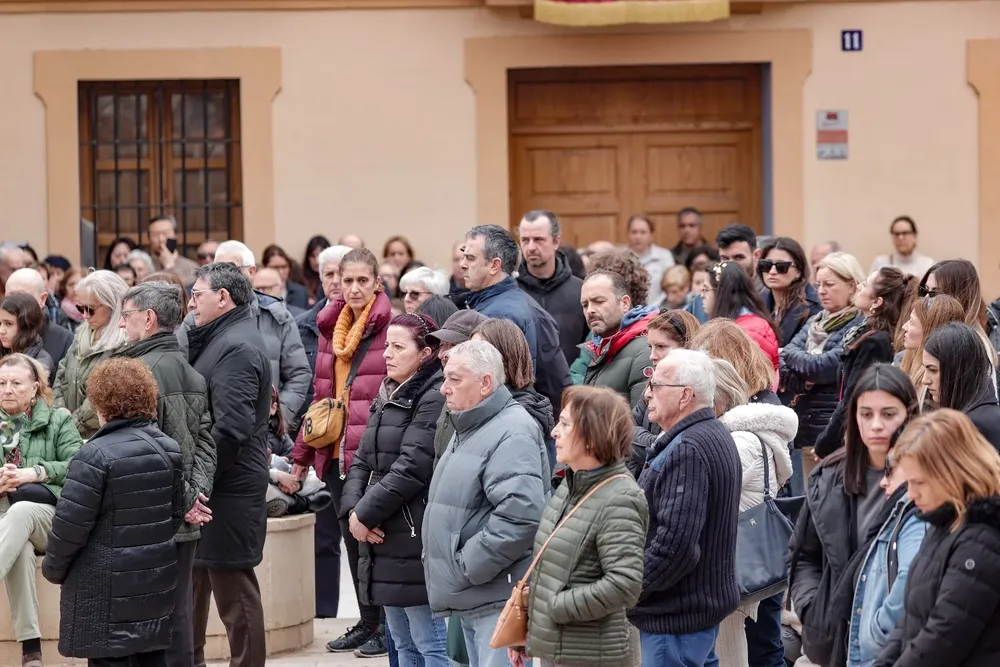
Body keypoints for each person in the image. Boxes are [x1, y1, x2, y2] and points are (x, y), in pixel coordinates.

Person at [42, 358, 184, 667]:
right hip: (153, 586)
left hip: (103, 593)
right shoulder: (169, 449)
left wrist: (52, 569)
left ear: (100, 404)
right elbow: (175, 516)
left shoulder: (93, 455)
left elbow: (69, 528)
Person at [291, 247, 392, 657]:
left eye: (361, 281)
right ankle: (369, 622)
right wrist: (300, 457)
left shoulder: (391, 328)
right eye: (345, 279)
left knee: (378, 542)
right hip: (335, 453)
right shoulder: (329, 327)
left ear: (377, 283)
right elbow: (320, 397)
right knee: (352, 544)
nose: (352, 287)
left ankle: (387, 624)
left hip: (373, 455)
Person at [423, 340, 549, 667]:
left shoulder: (512, 430)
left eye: (455, 379)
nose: (444, 389)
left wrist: (468, 565)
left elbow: (520, 516)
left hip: (493, 597)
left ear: (486, 383)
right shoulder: (469, 423)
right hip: (473, 593)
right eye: (444, 378)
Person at [117, 280, 218, 667]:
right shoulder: (191, 373)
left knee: (149, 619)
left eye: (126, 316)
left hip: (150, 517)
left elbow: (149, 453)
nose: (122, 326)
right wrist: (196, 498)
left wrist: (188, 500)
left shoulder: (137, 374)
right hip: (183, 515)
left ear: (148, 317)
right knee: (179, 613)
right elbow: (207, 442)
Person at [788, 364, 917, 667]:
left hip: (900, 642)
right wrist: (812, 608)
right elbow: (804, 553)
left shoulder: (926, 479)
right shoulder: (829, 476)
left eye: (888, 414)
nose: (875, 425)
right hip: (833, 638)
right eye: (866, 414)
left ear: (909, 414)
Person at [513, 386, 648, 667]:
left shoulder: (620, 498)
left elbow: (624, 584)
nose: (554, 432)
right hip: (558, 647)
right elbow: (552, 567)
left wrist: (554, 607)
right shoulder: (571, 483)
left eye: (564, 424)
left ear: (591, 436)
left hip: (592, 655)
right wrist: (529, 628)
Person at [341, 313, 448, 667]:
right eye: (387, 345)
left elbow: (413, 466)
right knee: (400, 643)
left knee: (428, 643)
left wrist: (364, 514)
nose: (387, 353)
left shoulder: (432, 396)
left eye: (398, 347)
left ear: (425, 353)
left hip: (409, 531)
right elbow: (360, 459)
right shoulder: (388, 391)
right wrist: (353, 511)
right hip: (381, 532)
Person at [631, 349, 741, 667]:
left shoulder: (689, 448)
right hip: (690, 614)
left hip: (675, 618)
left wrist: (628, 587)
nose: (647, 393)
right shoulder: (708, 434)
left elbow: (675, 546)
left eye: (656, 385)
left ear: (685, 396)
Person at [186, 263, 271, 667]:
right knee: (199, 581)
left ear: (223, 297)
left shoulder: (236, 345)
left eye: (197, 293)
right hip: (218, 484)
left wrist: (198, 480)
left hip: (228, 488)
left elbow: (232, 429)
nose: (190, 301)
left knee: (234, 591)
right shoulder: (224, 336)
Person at [873, 409, 1000, 666]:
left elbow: (942, 638)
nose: (912, 494)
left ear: (951, 473)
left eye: (920, 483)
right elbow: (911, 621)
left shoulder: (981, 541)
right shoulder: (945, 523)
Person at [712, 359, 796, 667]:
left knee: (760, 648)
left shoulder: (740, 442)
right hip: (755, 555)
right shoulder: (744, 435)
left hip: (744, 560)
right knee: (764, 644)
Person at [0, 353, 83, 667]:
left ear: (35, 388)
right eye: (2, 383)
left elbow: (81, 465)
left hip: (47, 518)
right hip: (4, 521)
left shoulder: (57, 420)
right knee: (17, 548)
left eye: (16, 383)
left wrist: (36, 472)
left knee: (20, 515)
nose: (7, 389)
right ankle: (31, 651)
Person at [177, 240, 311, 427]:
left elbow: (298, 374)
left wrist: (277, 419)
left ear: (252, 272)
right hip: (212, 429)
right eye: (219, 269)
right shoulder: (195, 320)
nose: (227, 276)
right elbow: (180, 373)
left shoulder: (276, 316)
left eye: (233, 269)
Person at [462, 224, 570, 412]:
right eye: (464, 255)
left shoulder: (497, 316)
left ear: (495, 265)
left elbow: (489, 388)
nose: (462, 263)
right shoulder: (523, 304)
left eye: (470, 258)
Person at [814, 267, 917, 459]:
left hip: (859, 440)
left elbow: (854, 396)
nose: (859, 286)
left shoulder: (874, 342)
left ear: (877, 302)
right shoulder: (864, 332)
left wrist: (825, 443)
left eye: (866, 284)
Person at [842, 431, 926, 667]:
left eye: (889, 468)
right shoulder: (903, 510)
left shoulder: (916, 517)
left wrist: (878, 631)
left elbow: (909, 581)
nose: (883, 480)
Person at [470, 319, 557, 473]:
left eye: (480, 353)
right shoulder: (485, 403)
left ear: (507, 359)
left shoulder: (523, 418)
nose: (469, 361)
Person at [53, 270, 130, 439]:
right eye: (80, 307)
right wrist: (59, 410)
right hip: (71, 433)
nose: (85, 315)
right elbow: (61, 374)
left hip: (100, 438)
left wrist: (68, 425)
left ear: (113, 304)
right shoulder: (81, 334)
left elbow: (103, 398)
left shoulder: (125, 344)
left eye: (91, 309)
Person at [629, 310, 700, 476]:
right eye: (650, 347)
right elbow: (625, 430)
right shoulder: (650, 385)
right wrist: (655, 442)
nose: (652, 356)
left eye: (661, 347)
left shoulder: (696, 393)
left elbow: (674, 448)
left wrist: (648, 443)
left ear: (686, 346)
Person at [579, 259, 658, 408]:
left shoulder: (647, 350)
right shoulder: (602, 347)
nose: (590, 310)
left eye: (599, 301)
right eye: (585, 304)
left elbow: (642, 422)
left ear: (625, 303)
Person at [516, 210, 589, 367]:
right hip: (523, 389)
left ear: (556, 242)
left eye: (538, 239)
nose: (531, 247)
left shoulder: (581, 291)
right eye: (525, 240)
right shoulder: (511, 292)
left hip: (570, 386)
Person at [923, 322, 1000, 449]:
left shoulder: (975, 425)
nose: (925, 380)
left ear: (959, 370)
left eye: (933, 370)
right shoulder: (975, 415)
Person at [702, 261, 780, 373]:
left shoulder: (750, 331)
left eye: (705, 289)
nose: (702, 296)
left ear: (721, 293)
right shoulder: (733, 325)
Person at [4, 269, 74, 368]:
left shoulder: (65, 339)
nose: (15, 303)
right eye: (10, 297)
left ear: (42, 299)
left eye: (22, 296)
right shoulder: (2, 336)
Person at [759, 237, 822, 347]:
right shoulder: (758, 301)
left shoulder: (813, 306)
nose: (772, 272)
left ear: (798, 271)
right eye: (766, 265)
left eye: (781, 267)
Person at [897, 294, 964, 396]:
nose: (904, 326)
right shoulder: (905, 360)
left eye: (912, 322)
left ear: (930, 330)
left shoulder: (933, 386)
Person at [0, 294, 55, 378]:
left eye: (8, 324)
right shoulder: (4, 351)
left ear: (26, 326)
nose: (1, 331)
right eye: (0, 323)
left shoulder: (41, 364)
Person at [626, 214, 675, 307]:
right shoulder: (621, 258)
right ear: (628, 234)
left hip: (660, 310)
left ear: (651, 235)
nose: (638, 236)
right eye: (634, 232)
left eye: (643, 232)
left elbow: (672, 286)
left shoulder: (664, 256)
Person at [869, 215, 935, 278]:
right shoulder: (880, 263)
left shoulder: (928, 264)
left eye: (905, 233)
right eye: (896, 234)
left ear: (915, 236)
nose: (900, 237)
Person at [148, 214, 199, 287]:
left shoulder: (191, 267)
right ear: (149, 238)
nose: (161, 239)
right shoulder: (145, 265)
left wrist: (170, 266)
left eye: (165, 233)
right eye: (155, 235)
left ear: (175, 235)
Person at [261, 243, 309, 310]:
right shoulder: (257, 293)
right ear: (265, 267)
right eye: (275, 267)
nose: (280, 271)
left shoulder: (301, 292)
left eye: (284, 267)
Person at [302, 235, 332, 306]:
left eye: (320, 255)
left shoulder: (334, 279)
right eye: (312, 256)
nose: (316, 261)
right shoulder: (301, 279)